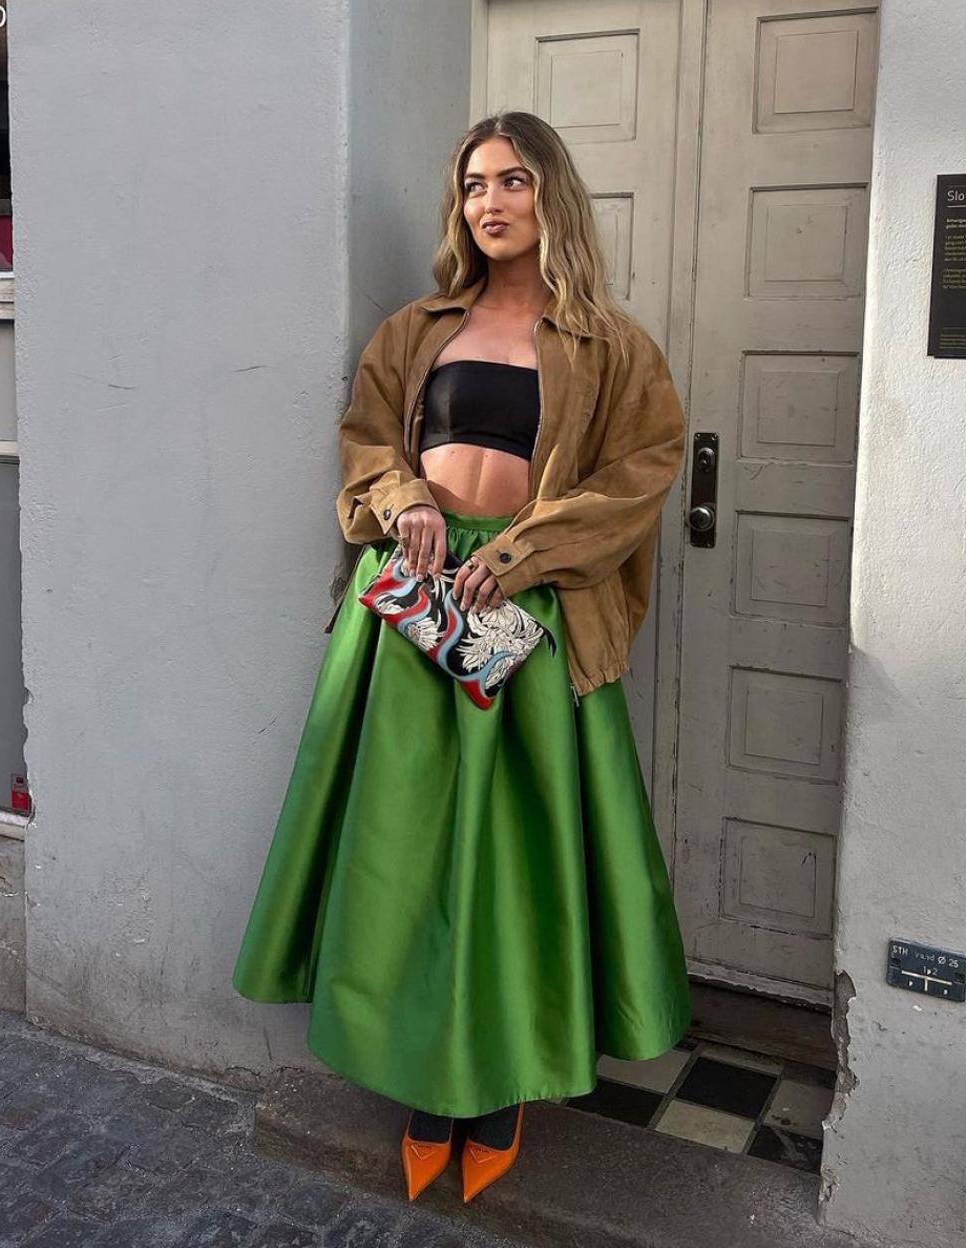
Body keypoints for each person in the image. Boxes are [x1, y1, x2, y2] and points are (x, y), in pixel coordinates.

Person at [232, 110, 691, 1204]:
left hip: (525, 627)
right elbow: (365, 442)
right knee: (404, 853)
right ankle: (418, 1081)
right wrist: (401, 503)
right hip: (406, 621)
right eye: (476, 184)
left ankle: (496, 1087)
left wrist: (525, 552)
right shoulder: (416, 329)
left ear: (553, 198)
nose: (492, 202)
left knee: (510, 865)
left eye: (515, 181)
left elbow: (641, 474)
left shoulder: (613, 346)